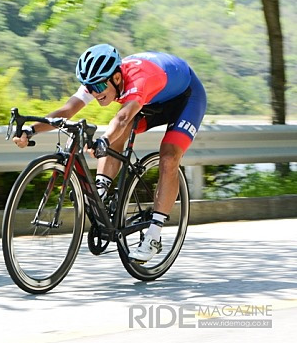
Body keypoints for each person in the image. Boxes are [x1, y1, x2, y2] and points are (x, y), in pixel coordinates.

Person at [13, 44, 207, 262]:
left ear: (116, 78)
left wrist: (103, 140)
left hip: (186, 98)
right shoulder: (98, 79)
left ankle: (153, 236)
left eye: (98, 86)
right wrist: (31, 130)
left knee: (169, 156)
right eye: (89, 87)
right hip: (152, 100)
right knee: (118, 135)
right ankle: (102, 190)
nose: (95, 93)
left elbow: (122, 118)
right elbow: (67, 111)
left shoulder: (138, 79)